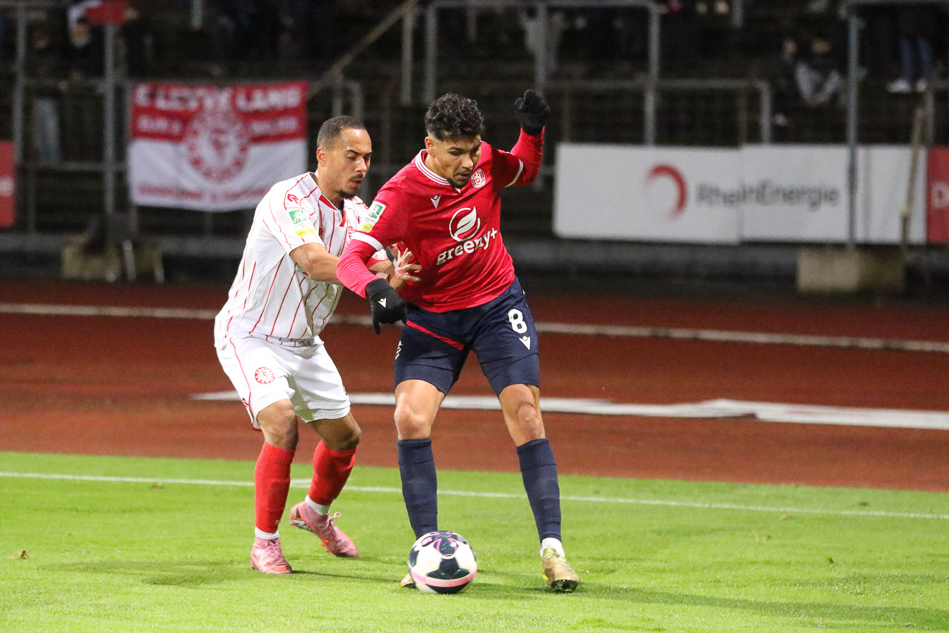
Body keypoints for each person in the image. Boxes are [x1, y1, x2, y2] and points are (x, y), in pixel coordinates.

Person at [336, 91, 581, 593]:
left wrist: (531, 133)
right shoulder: (400, 195)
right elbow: (351, 259)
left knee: (526, 413)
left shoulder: (485, 159)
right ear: (429, 146)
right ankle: (429, 550)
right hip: (433, 321)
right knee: (409, 418)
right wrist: (377, 291)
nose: (469, 163)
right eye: (456, 153)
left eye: (473, 150)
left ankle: (553, 551)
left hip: (497, 307)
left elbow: (523, 170)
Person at [213, 116, 418, 575]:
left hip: (305, 342)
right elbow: (312, 261)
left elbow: (381, 266)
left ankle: (314, 513)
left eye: (367, 158)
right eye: (352, 156)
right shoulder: (287, 198)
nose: (362, 166)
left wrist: (395, 276)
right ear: (322, 156)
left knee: (346, 437)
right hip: (251, 335)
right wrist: (374, 285)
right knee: (282, 421)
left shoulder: (360, 213)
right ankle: (265, 544)